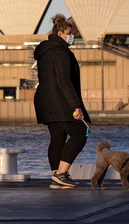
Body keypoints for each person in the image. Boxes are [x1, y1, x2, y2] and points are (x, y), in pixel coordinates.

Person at [32, 14, 89, 189]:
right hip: (60, 101)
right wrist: (76, 105)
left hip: (44, 100)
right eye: (69, 34)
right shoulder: (61, 52)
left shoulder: (44, 51)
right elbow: (64, 81)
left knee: (57, 137)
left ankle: (55, 177)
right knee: (81, 133)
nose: (72, 37)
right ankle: (61, 174)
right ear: (60, 34)